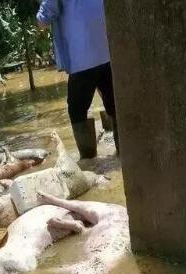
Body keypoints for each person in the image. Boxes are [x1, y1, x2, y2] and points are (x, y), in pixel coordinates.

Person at [37, 0, 119, 158]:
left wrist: (40, 20)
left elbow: (44, 18)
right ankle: (123, 154)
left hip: (82, 59)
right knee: (115, 105)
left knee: (77, 110)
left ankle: (89, 159)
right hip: (107, 51)